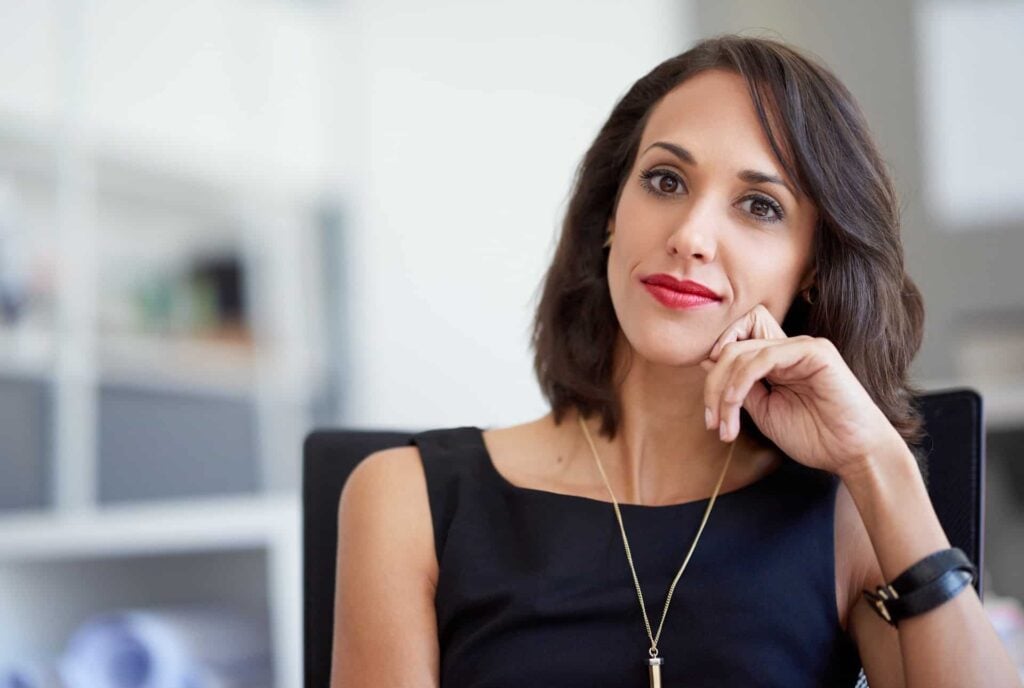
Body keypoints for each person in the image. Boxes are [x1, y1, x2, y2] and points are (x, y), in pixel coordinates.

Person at [330, 35, 1022, 687]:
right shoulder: (406, 499)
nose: (691, 236)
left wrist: (879, 464)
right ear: (610, 213)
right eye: (665, 181)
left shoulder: (846, 515)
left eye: (759, 205)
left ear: (813, 268)